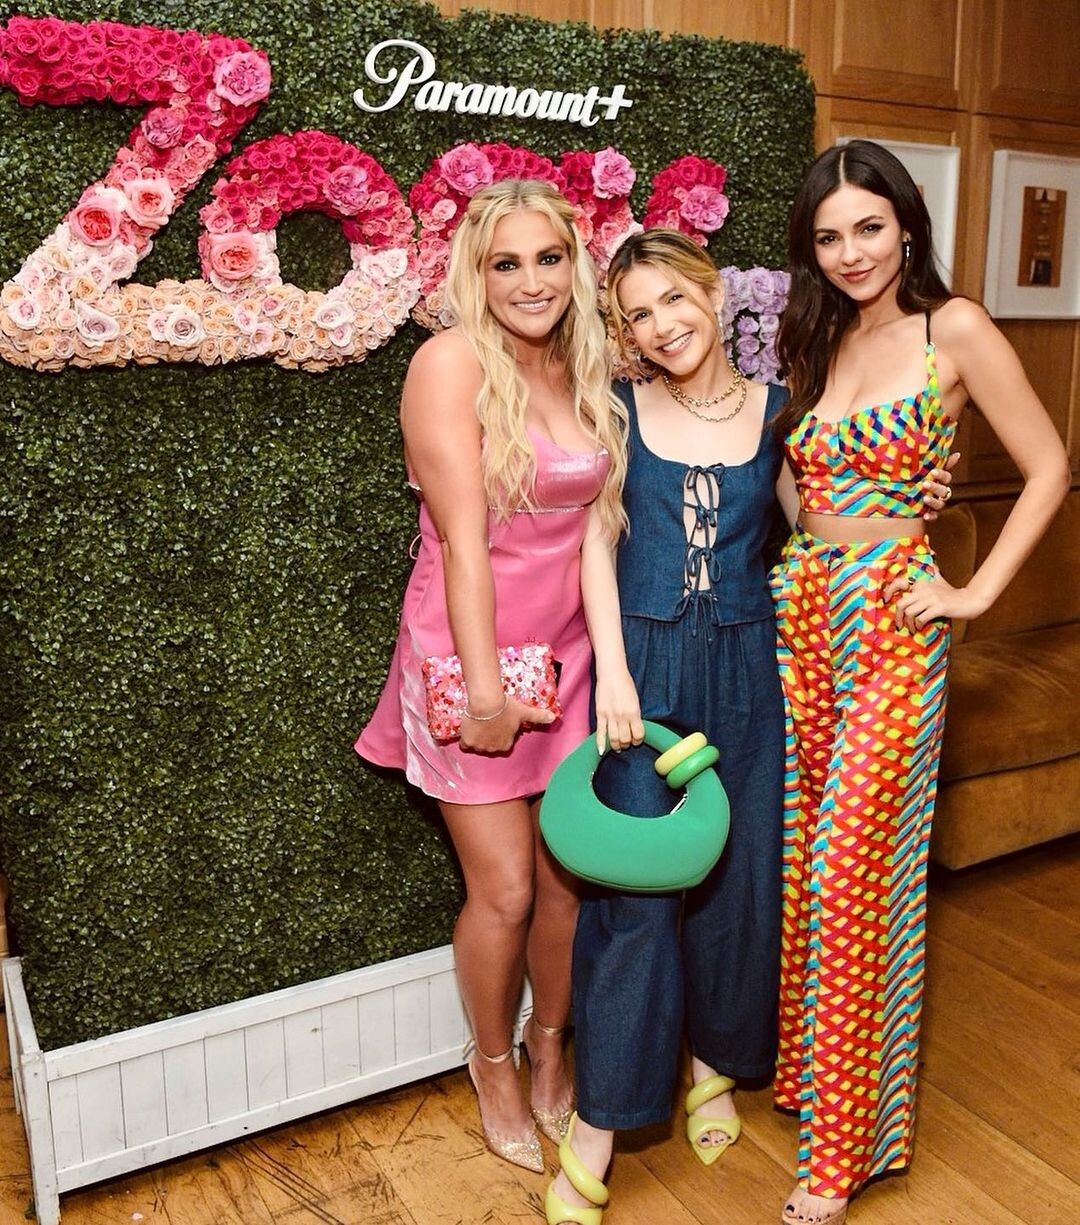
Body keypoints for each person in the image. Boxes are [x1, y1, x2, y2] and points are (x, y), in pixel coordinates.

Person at [769, 139, 1070, 1225]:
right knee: (808, 860)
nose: (852, 252)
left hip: (895, 617)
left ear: (907, 225)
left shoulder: (959, 328)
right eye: (829, 236)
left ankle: (842, 1152)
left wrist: (973, 591)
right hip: (804, 604)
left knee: (854, 865)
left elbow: (1050, 465)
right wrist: (828, 513)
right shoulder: (823, 336)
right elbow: (801, 490)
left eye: (869, 227)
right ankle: (818, 1086)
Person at [356, 179, 627, 1173]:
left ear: (574, 264)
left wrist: (609, 671)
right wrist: (481, 692)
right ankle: (491, 1062)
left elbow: (595, 532)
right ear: (476, 273)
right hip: (468, 653)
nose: (530, 281)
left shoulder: (581, 361)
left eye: (548, 258)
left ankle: (550, 1044)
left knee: (566, 883)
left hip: (569, 656)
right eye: (505, 263)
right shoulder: (451, 362)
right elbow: (463, 545)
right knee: (506, 889)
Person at [544, 228, 792, 1225]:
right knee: (636, 896)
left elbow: (823, 529)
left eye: (673, 300)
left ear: (713, 293)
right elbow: (595, 545)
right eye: (637, 314)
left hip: (750, 670)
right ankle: (599, 1122)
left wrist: (914, 500)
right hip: (641, 671)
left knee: (738, 880)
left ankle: (712, 1067)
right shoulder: (618, 407)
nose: (661, 326)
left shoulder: (780, 413)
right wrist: (613, 670)